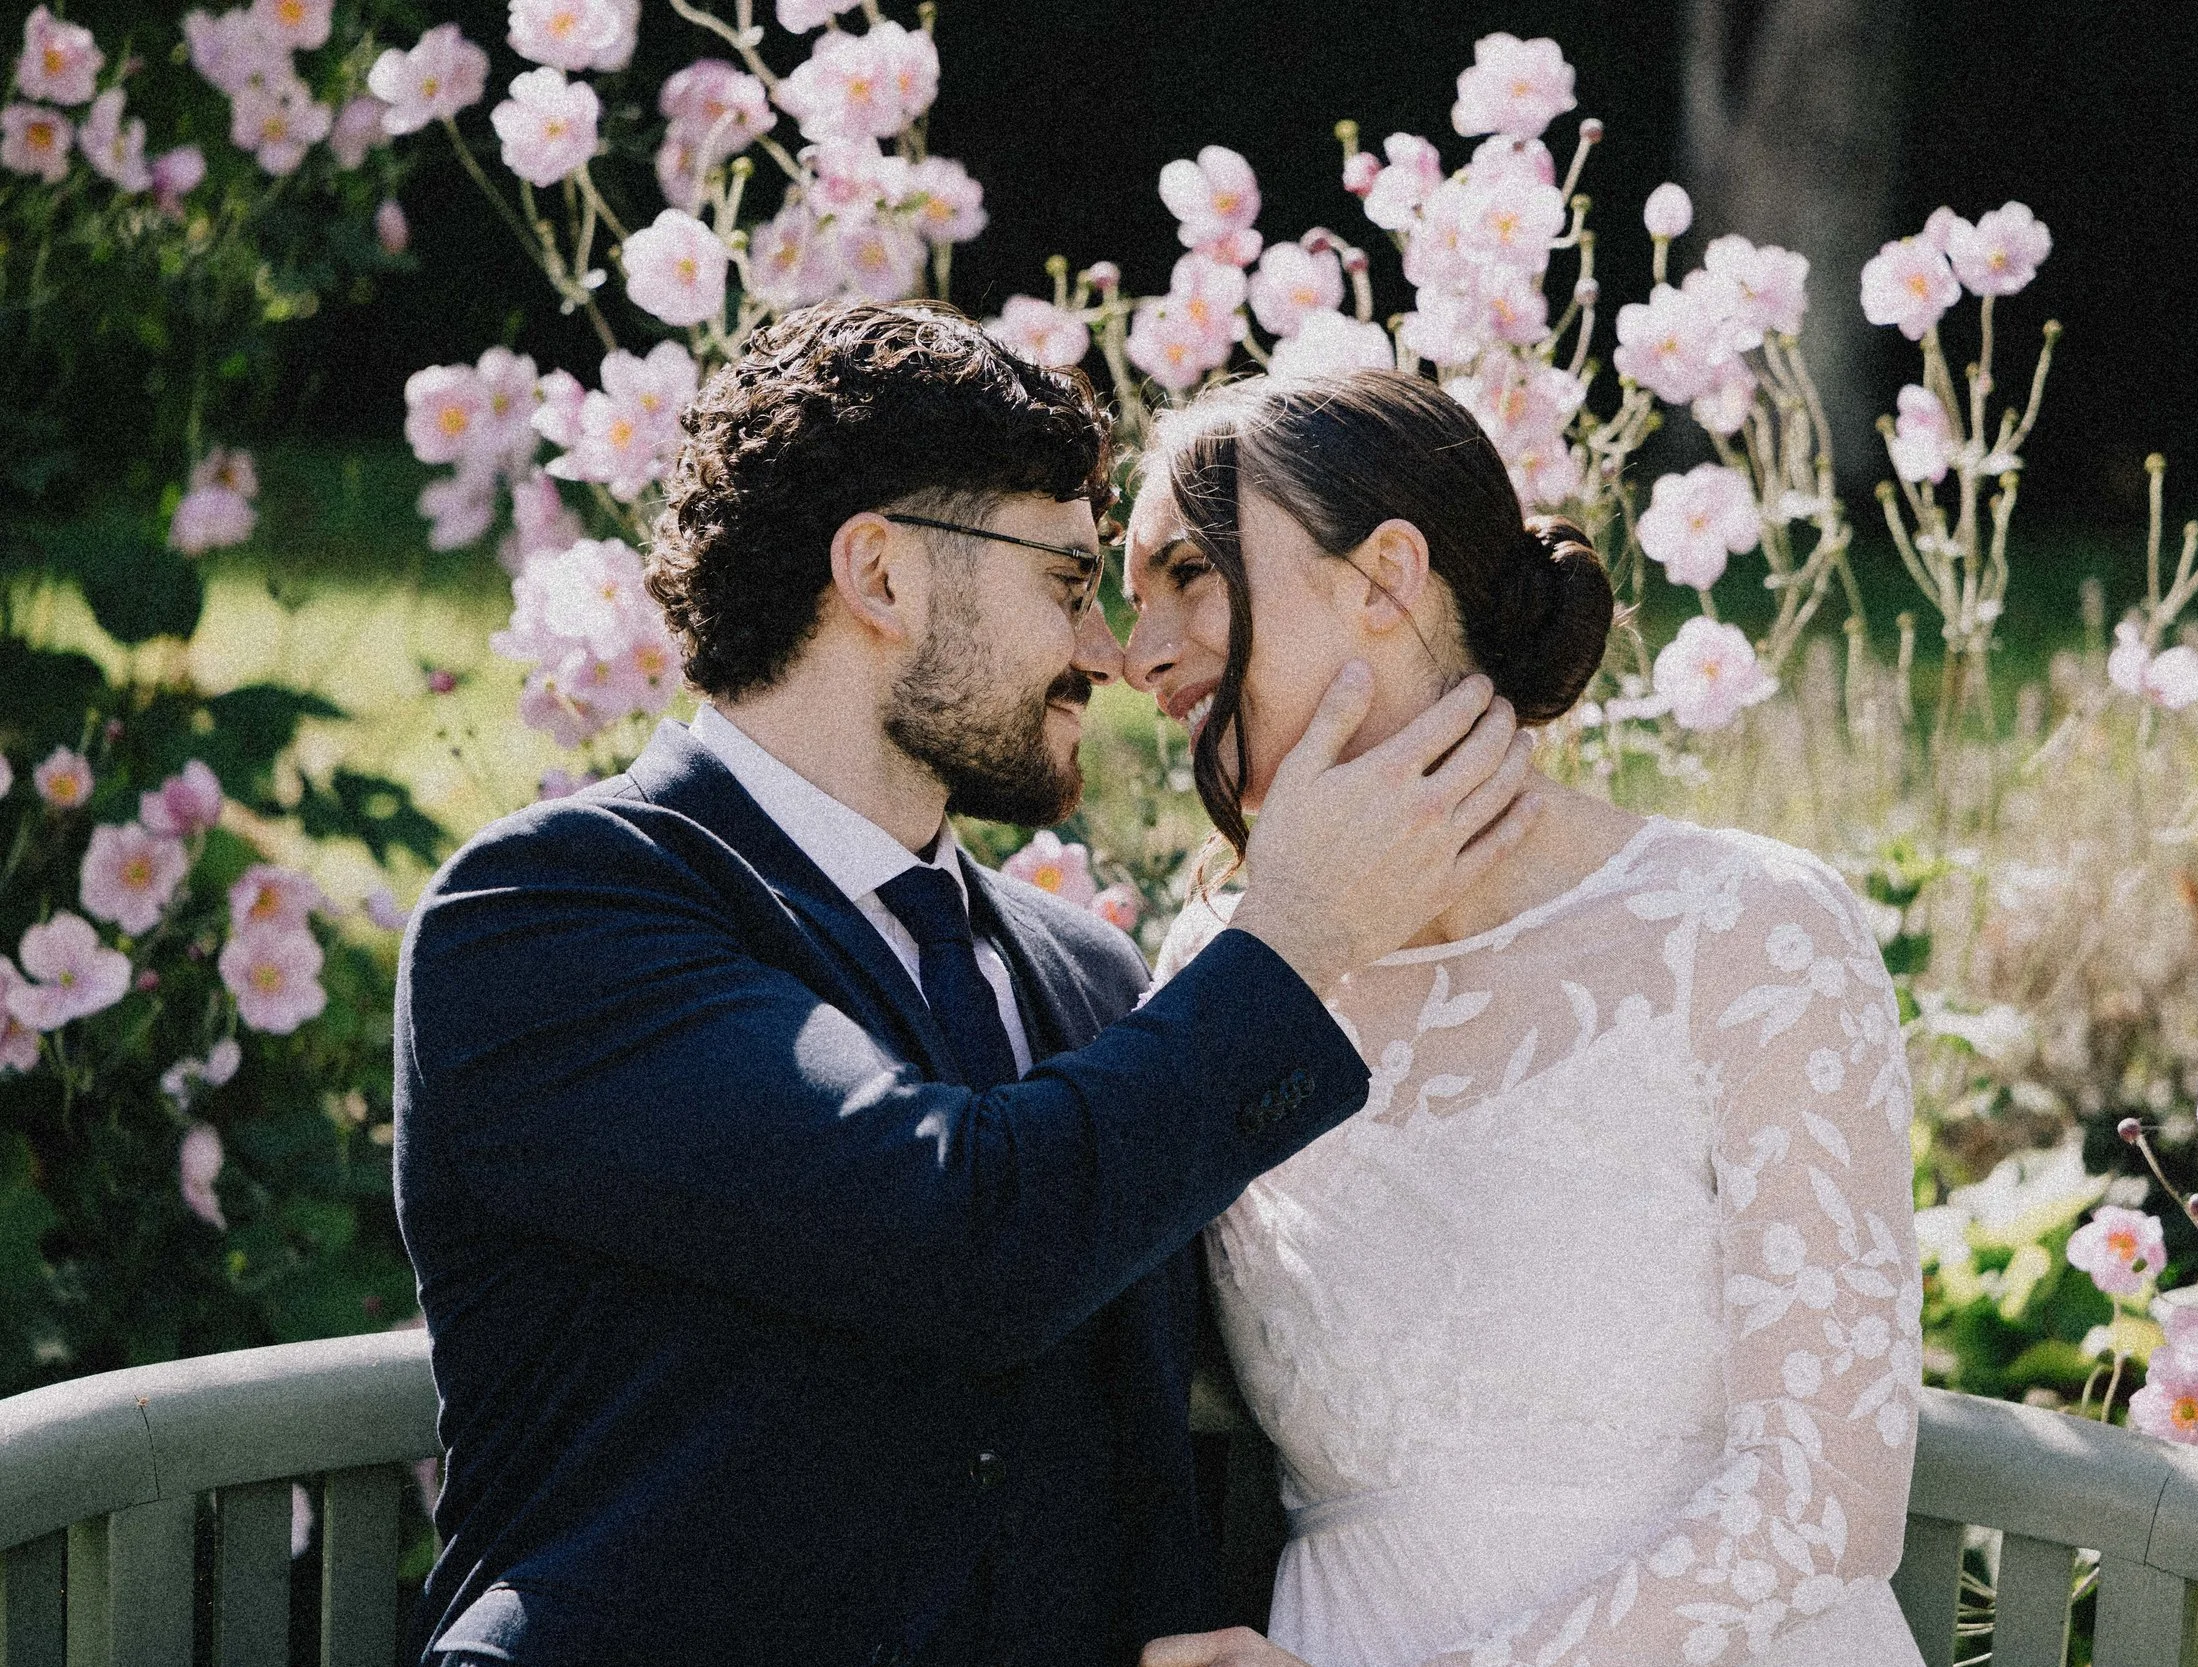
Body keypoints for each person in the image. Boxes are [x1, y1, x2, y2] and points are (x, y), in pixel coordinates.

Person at [390, 305, 1541, 1667]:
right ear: (879, 575)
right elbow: (965, 1231)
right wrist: (1294, 933)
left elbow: (1127, 1465)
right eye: (1066, 581)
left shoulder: (1087, 976)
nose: (1113, 655)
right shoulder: (552, 915)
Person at [1124, 370, 1923, 1667]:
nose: (1135, 652)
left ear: (1383, 578)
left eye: (1187, 575)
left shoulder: (1745, 932)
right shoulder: (1221, 978)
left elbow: (1824, 1500)